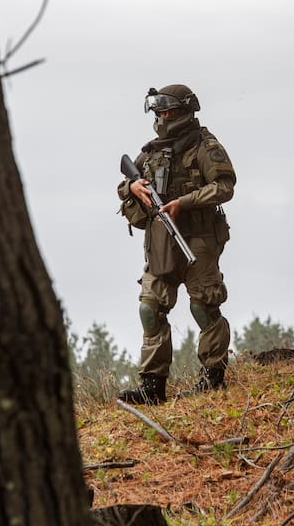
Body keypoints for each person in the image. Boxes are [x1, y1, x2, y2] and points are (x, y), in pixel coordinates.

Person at [117, 84, 236, 404]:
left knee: (203, 305)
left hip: (198, 239)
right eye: (158, 111)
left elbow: (225, 186)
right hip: (160, 242)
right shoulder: (152, 150)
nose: (162, 117)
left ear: (185, 111)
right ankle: (152, 386)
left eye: (168, 111)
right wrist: (133, 187)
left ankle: (213, 377)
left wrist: (184, 202)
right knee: (150, 307)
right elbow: (124, 183)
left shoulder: (204, 145)